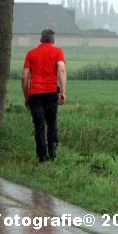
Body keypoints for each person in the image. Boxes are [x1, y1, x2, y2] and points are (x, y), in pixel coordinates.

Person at [22, 29, 67, 163]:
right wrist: (63, 91)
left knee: (39, 125)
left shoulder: (31, 54)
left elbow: (24, 77)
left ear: (41, 40)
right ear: (53, 40)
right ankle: (53, 153)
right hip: (52, 92)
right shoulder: (57, 52)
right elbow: (62, 69)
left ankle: (42, 157)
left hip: (35, 94)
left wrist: (26, 97)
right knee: (51, 122)